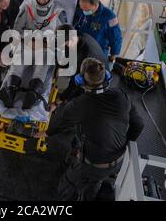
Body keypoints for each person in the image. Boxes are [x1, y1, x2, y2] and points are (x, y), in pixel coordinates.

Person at [47, 58, 144, 201]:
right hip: (119, 160)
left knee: (66, 187)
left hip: (93, 166)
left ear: (81, 81)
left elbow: (59, 124)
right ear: (107, 78)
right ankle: (93, 185)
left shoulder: (79, 104)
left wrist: (44, 133)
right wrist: (124, 143)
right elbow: (139, 124)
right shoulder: (121, 96)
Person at [0, 0, 67, 110]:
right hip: (26, 44)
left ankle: (33, 93)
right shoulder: (27, 7)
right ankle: (10, 90)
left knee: (42, 67)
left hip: (46, 47)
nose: (41, 0)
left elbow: (63, 38)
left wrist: (45, 45)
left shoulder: (59, 12)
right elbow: (16, 31)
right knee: (18, 63)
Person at [55, 24, 107, 102]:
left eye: (65, 44)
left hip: (97, 78)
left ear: (71, 39)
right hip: (90, 65)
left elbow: (75, 83)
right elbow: (67, 53)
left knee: (78, 95)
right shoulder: (79, 35)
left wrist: (60, 100)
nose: (65, 46)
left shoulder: (84, 57)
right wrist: (60, 66)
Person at [73, 0, 122, 70]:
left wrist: (113, 57)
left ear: (95, 5)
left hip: (98, 53)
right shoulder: (83, 11)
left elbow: (116, 38)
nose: (84, 11)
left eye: (86, 9)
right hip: (82, 49)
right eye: (82, 8)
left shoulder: (109, 17)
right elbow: (77, 26)